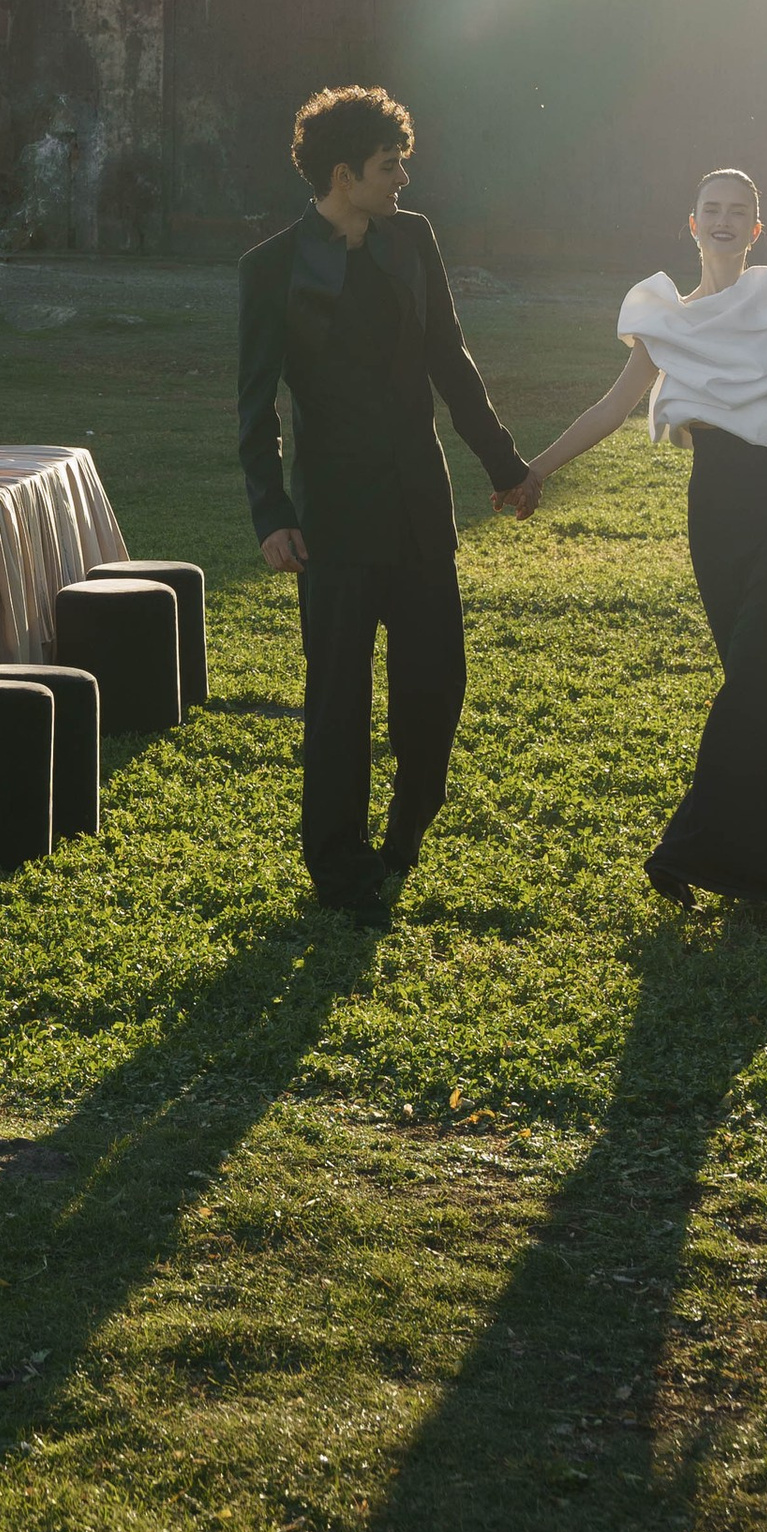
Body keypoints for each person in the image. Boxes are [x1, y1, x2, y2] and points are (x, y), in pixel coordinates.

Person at [524, 166, 767, 913]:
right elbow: (608, 409)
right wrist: (533, 469)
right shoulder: (665, 319)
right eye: (711, 209)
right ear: (691, 223)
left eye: (739, 211)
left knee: (755, 675)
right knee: (763, 685)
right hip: (715, 514)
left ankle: (686, 847)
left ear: (755, 229)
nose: (724, 221)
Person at [237, 85, 540, 921]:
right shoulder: (268, 270)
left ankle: (401, 841)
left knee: (436, 687)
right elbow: (255, 404)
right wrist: (271, 514)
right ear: (344, 173)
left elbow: (451, 358)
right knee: (337, 701)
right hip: (330, 517)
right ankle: (339, 872)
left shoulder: (413, 241)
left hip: (418, 506)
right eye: (388, 165)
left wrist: (505, 465)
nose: (403, 177)